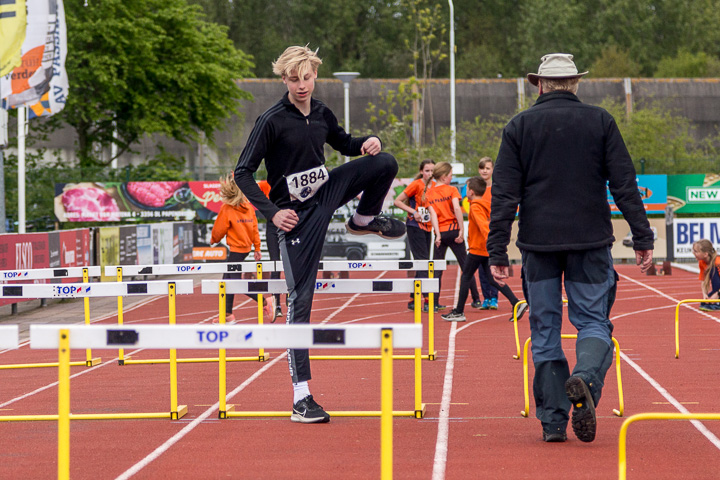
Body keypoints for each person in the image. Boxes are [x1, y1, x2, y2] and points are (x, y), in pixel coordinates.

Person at [487, 53, 654, 444]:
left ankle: (552, 422)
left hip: (538, 245)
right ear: (575, 84)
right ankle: (585, 380)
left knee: (545, 330)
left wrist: (497, 252)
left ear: (539, 85)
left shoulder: (519, 126)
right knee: (593, 321)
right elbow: (625, 185)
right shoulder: (601, 121)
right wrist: (642, 237)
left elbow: (504, 196)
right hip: (591, 242)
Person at [233, 45, 405, 424]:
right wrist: (274, 213)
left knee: (384, 162)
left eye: (306, 77)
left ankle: (363, 220)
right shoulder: (272, 120)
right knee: (302, 299)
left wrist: (365, 143)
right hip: (295, 215)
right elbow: (242, 172)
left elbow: (342, 142)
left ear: (315, 75)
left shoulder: (323, 111)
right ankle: (301, 398)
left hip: (325, 192)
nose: (301, 85)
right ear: (283, 79)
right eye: (293, 79)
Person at [441, 177, 528, 322]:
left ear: (472, 192)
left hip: (478, 249)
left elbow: (484, 227)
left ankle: (458, 311)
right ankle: (516, 303)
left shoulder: (475, 207)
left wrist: (492, 244)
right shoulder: (484, 204)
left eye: (467, 189)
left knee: (466, 277)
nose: (465, 191)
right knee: (491, 279)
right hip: (484, 249)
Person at [211, 174, 274, 323]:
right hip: (245, 249)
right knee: (227, 280)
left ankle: (265, 302)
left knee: (235, 283)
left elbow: (219, 230)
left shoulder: (227, 208)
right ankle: (227, 314)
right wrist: (257, 248)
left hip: (236, 251)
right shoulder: (248, 207)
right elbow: (254, 229)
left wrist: (214, 240)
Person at [427, 161, 481, 311]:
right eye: (450, 175)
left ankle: (434, 302)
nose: (451, 178)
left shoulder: (430, 192)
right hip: (454, 230)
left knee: (437, 269)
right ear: (444, 177)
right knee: (466, 266)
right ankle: (476, 299)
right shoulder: (451, 190)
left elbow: (433, 215)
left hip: (441, 233)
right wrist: (461, 230)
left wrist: (437, 235)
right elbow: (457, 208)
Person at [394, 159, 435, 311]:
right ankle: (428, 300)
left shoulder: (436, 187)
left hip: (428, 227)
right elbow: (397, 201)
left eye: (432, 171)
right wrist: (414, 212)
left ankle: (412, 299)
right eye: (427, 171)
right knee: (423, 262)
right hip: (414, 226)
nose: (430, 174)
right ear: (421, 171)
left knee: (422, 262)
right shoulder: (416, 184)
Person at [475, 157, 499, 310]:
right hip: (478, 234)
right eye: (482, 168)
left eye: (488, 168)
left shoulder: (497, 189)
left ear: (492, 170)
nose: (484, 170)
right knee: (481, 269)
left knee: (493, 266)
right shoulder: (476, 189)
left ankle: (494, 297)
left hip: (492, 232)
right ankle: (486, 298)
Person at [258, 179, 284, 319]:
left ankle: (293, 301)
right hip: (272, 226)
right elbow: (250, 190)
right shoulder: (264, 184)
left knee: (292, 265)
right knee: (275, 265)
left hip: (288, 224)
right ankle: (276, 305)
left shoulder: (288, 180)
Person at [692, 239, 720, 311]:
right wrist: (705, 295)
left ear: (705, 254)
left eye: (696, 251)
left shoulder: (717, 262)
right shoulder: (702, 262)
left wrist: (717, 294)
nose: (693, 253)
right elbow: (703, 281)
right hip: (717, 290)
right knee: (704, 303)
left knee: (713, 270)